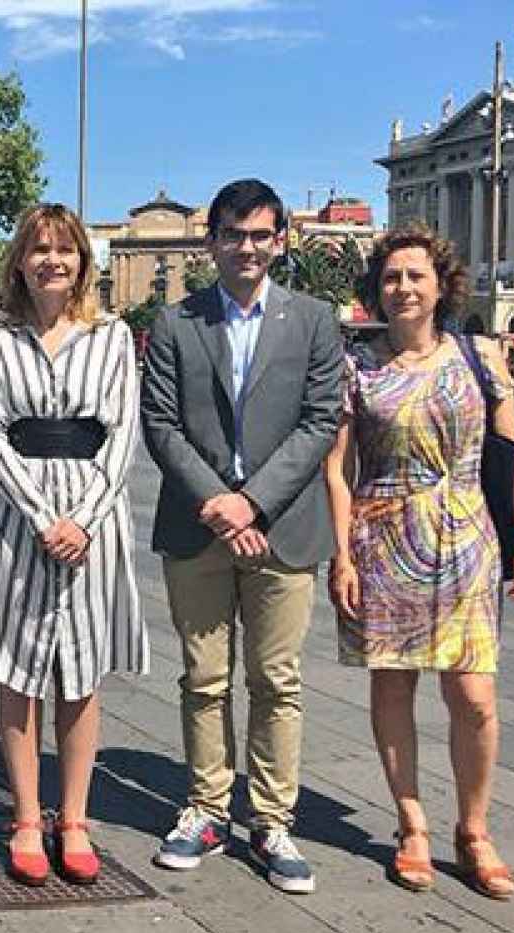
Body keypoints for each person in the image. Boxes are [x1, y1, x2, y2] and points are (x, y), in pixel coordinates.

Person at [322, 225, 514, 899]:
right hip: (383, 539)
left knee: (474, 696)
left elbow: (512, 451)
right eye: (391, 277)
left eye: (415, 276)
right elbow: (338, 470)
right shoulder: (357, 367)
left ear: (440, 283)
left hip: (468, 539)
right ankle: (411, 823)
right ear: (377, 289)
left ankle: (473, 830)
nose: (403, 288)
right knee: (393, 688)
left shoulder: (480, 357)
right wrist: (341, 556)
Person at [140, 179, 344, 894]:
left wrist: (252, 502)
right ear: (212, 241)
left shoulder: (314, 319)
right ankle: (204, 809)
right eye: (233, 233)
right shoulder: (176, 323)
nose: (247, 247)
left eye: (260, 234)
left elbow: (322, 420)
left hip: (284, 527)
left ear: (280, 240)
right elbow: (159, 423)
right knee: (204, 676)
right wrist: (218, 502)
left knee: (276, 679)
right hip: (196, 527)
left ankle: (271, 818)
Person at [0, 203, 149, 886]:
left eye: (64, 251)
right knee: (19, 672)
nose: (52, 261)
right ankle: (25, 817)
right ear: (19, 260)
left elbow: (124, 433)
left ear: (82, 262)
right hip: (18, 517)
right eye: (39, 249)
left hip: (93, 520)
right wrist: (42, 514)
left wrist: (86, 516)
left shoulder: (114, 337)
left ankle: (74, 817)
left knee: (82, 671)